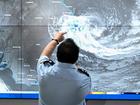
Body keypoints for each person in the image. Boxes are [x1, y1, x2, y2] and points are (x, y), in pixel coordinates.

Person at [37, 32, 91, 105]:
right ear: (76, 58)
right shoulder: (84, 78)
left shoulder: (44, 72)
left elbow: (44, 55)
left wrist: (56, 39)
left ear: (57, 55)